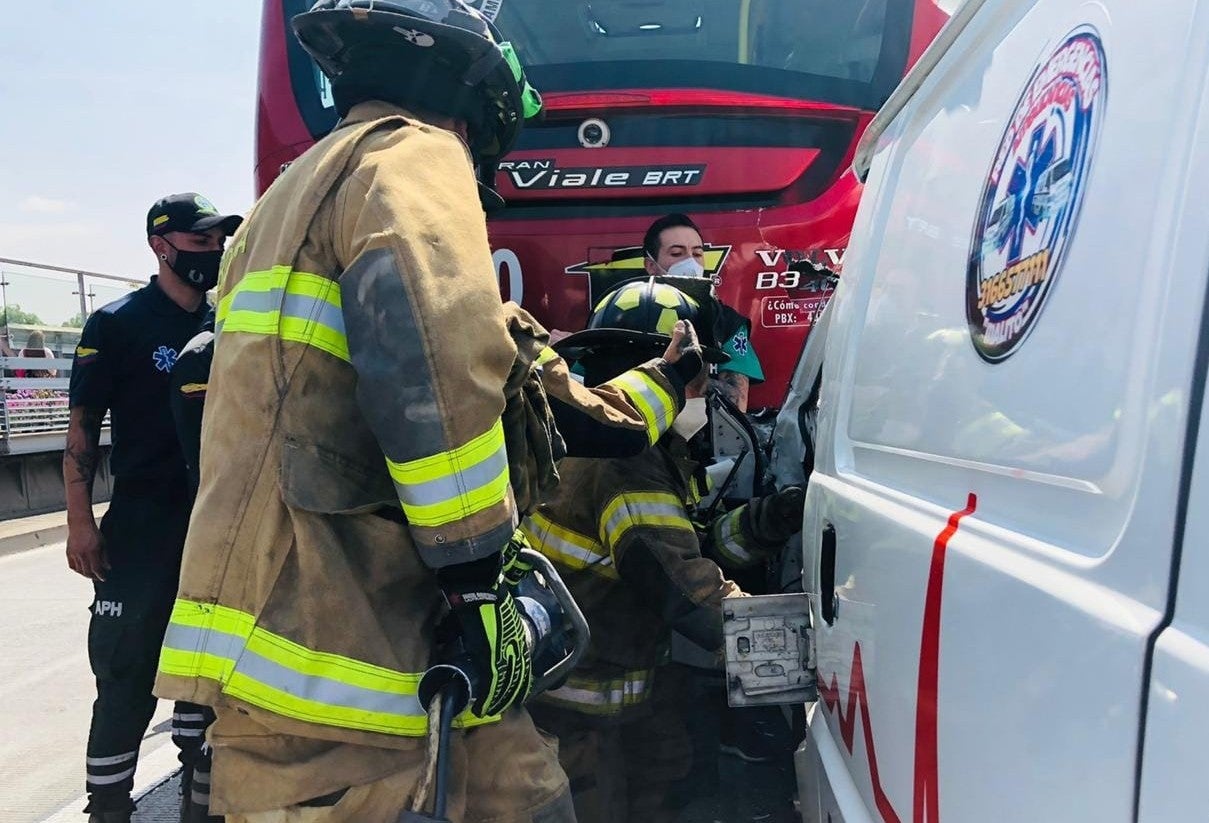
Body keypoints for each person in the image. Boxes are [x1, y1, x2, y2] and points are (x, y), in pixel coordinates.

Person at [152, 3, 701, 822]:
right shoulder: (411, 156)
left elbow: (555, 403)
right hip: (340, 650)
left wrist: (660, 383)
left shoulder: (284, 199)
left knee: (529, 791)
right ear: (472, 103)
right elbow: (434, 367)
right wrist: (479, 582)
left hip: (305, 629)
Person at [521, 279, 804, 822]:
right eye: (700, 377)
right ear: (659, 368)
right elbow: (683, 588)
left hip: (606, 695)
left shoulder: (624, 447)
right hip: (582, 714)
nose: (707, 391)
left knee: (670, 776)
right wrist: (808, 659)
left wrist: (770, 521)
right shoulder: (627, 464)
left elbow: (690, 545)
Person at [64, 192, 242, 823]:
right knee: (126, 674)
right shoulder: (116, 323)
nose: (213, 253)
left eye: (218, 242)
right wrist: (80, 522)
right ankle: (109, 808)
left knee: (207, 686)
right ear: (160, 246)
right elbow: (82, 427)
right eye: (200, 243)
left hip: (213, 530)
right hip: (140, 530)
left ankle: (203, 808)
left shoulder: (229, 322)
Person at [642, 213, 765, 410]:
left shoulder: (727, 322)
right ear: (651, 265)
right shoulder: (622, 312)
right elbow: (590, 383)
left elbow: (737, 403)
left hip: (706, 435)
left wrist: (678, 376)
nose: (690, 263)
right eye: (676, 254)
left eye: (697, 254)